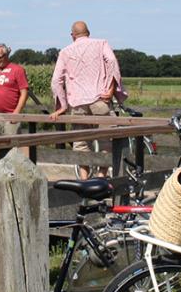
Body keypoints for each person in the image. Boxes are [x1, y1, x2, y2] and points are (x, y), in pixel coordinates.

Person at [50, 21, 125, 178]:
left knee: (81, 142)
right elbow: (111, 61)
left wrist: (62, 105)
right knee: (106, 139)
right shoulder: (101, 44)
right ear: (88, 32)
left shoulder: (65, 52)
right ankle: (101, 176)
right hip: (100, 100)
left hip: (78, 103)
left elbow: (56, 80)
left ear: (72, 35)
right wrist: (111, 89)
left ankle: (84, 179)